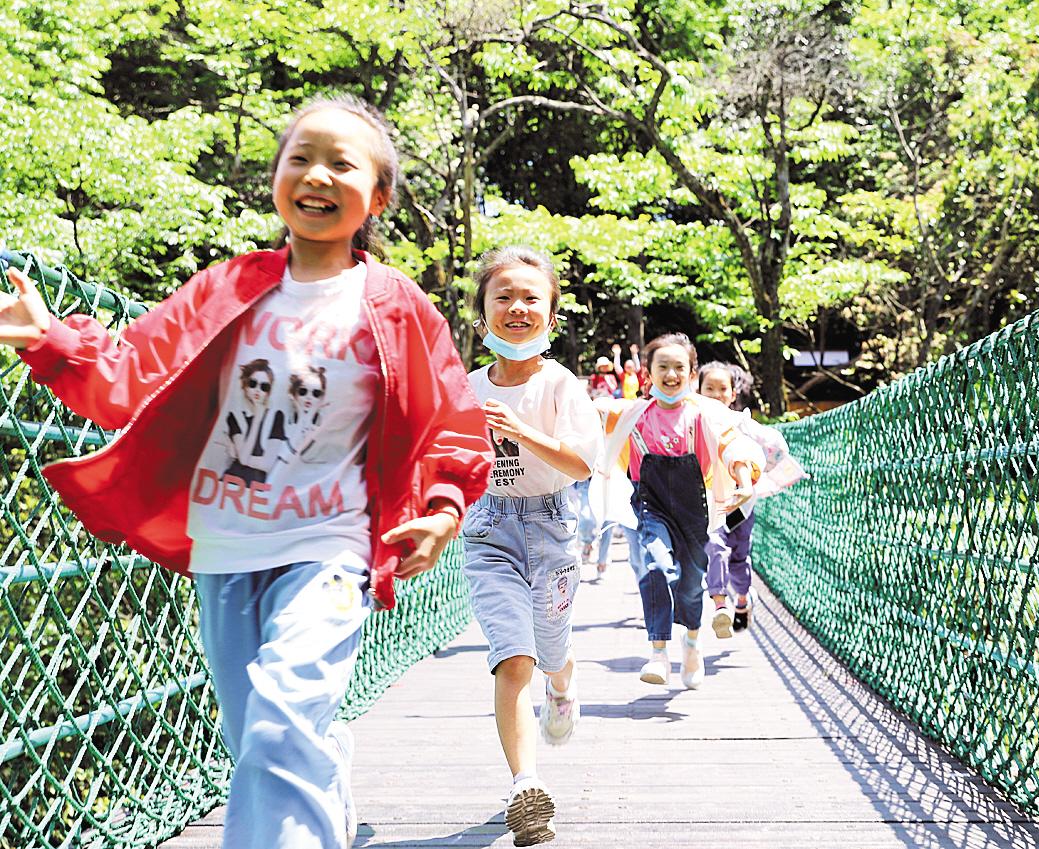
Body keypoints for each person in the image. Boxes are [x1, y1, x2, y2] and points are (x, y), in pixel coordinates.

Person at [0, 96, 493, 849]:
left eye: (340, 162)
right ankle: (323, 769)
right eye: (299, 158)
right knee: (256, 738)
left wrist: (445, 503)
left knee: (279, 719)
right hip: (227, 548)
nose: (315, 174)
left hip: (331, 546)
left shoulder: (393, 305)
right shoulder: (229, 287)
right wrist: (51, 340)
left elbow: (447, 417)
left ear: (378, 197)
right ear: (275, 179)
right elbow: (132, 376)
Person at [463, 245, 601, 847]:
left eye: (530, 299)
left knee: (549, 651)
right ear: (483, 312)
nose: (517, 308)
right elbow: (448, 464)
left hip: (552, 529)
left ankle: (563, 686)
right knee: (512, 653)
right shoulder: (464, 389)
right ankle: (526, 786)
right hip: (488, 531)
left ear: (550, 314)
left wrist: (522, 431)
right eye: (503, 297)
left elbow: (580, 462)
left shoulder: (560, 384)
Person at [594, 334, 761, 688]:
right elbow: (586, 413)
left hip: (694, 510)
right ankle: (657, 651)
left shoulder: (705, 415)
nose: (671, 374)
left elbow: (734, 447)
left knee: (688, 585)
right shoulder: (632, 414)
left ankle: (691, 643)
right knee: (655, 566)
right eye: (662, 367)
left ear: (691, 373)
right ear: (648, 374)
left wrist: (744, 482)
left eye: (679, 367)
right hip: (650, 505)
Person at [698, 361, 805, 634]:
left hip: (743, 504)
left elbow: (775, 446)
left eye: (722, 388)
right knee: (715, 545)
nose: (715, 394)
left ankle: (743, 599)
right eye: (708, 388)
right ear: (697, 391)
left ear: (733, 394)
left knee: (738, 559)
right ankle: (720, 605)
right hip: (712, 503)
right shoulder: (693, 422)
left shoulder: (742, 424)